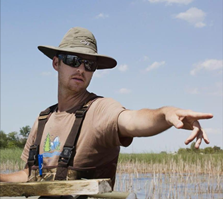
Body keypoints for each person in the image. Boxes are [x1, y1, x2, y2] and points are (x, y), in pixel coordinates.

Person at [0, 27, 213, 190]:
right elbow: (28, 175)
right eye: (74, 60)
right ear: (56, 63)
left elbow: (133, 121)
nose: (81, 69)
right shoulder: (43, 119)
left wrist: (166, 114)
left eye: (89, 64)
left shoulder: (100, 109)